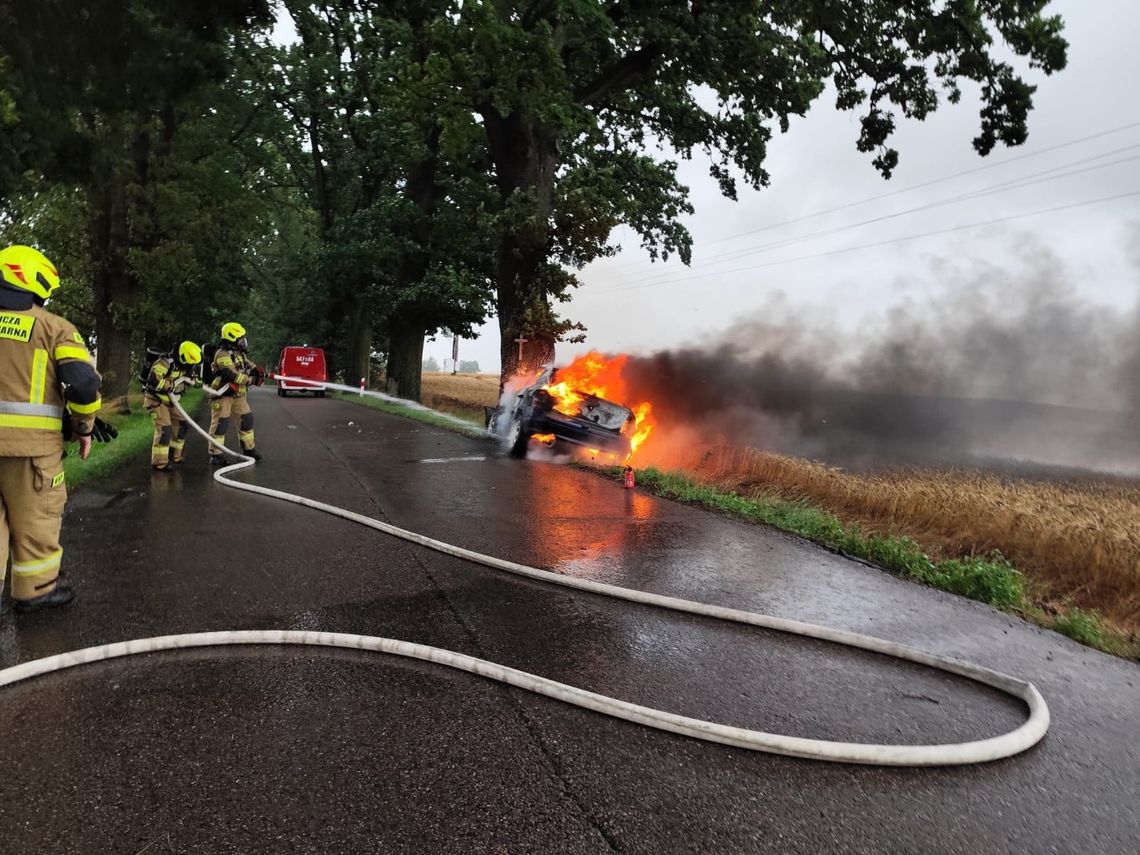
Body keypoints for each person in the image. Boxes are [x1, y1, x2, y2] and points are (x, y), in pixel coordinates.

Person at [0, 245, 112, 614]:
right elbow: (82, 384)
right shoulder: (54, 328)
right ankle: (35, 591)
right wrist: (82, 425)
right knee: (36, 520)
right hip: (31, 454)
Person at [207, 321, 264, 464]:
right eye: (240, 339)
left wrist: (257, 370)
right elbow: (232, 375)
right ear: (231, 338)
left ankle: (249, 449)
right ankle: (216, 454)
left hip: (238, 394)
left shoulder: (238, 354)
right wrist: (252, 380)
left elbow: (247, 364)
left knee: (247, 420)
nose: (243, 342)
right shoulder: (222, 354)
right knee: (220, 424)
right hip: (223, 394)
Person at [143, 341, 203, 470]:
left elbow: (188, 376)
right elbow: (154, 380)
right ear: (182, 357)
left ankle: (175, 456)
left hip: (171, 402)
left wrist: (195, 380)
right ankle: (159, 463)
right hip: (156, 400)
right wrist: (170, 386)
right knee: (165, 429)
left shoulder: (184, 365)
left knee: (182, 425)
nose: (190, 366)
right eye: (189, 363)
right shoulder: (164, 363)